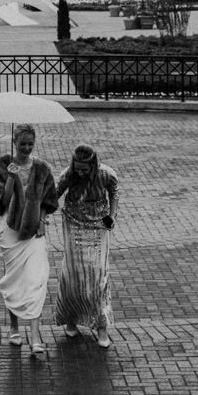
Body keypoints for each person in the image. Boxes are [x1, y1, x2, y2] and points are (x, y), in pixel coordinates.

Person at [0, 123, 60, 356]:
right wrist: (11, 178)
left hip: (34, 231)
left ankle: (36, 337)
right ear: (14, 143)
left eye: (30, 144)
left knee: (37, 279)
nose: (26, 148)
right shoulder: (1, 165)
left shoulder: (42, 168)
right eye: (22, 144)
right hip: (10, 229)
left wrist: (41, 221)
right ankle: (13, 326)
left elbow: (49, 202)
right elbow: (1, 203)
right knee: (15, 279)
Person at [52, 144, 119, 348]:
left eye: (85, 169)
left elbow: (114, 191)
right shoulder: (68, 175)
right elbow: (53, 195)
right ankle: (71, 320)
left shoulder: (106, 174)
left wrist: (112, 215)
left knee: (98, 275)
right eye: (77, 168)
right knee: (74, 273)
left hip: (99, 225)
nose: (80, 172)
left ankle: (101, 327)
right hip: (74, 224)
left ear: (94, 165)